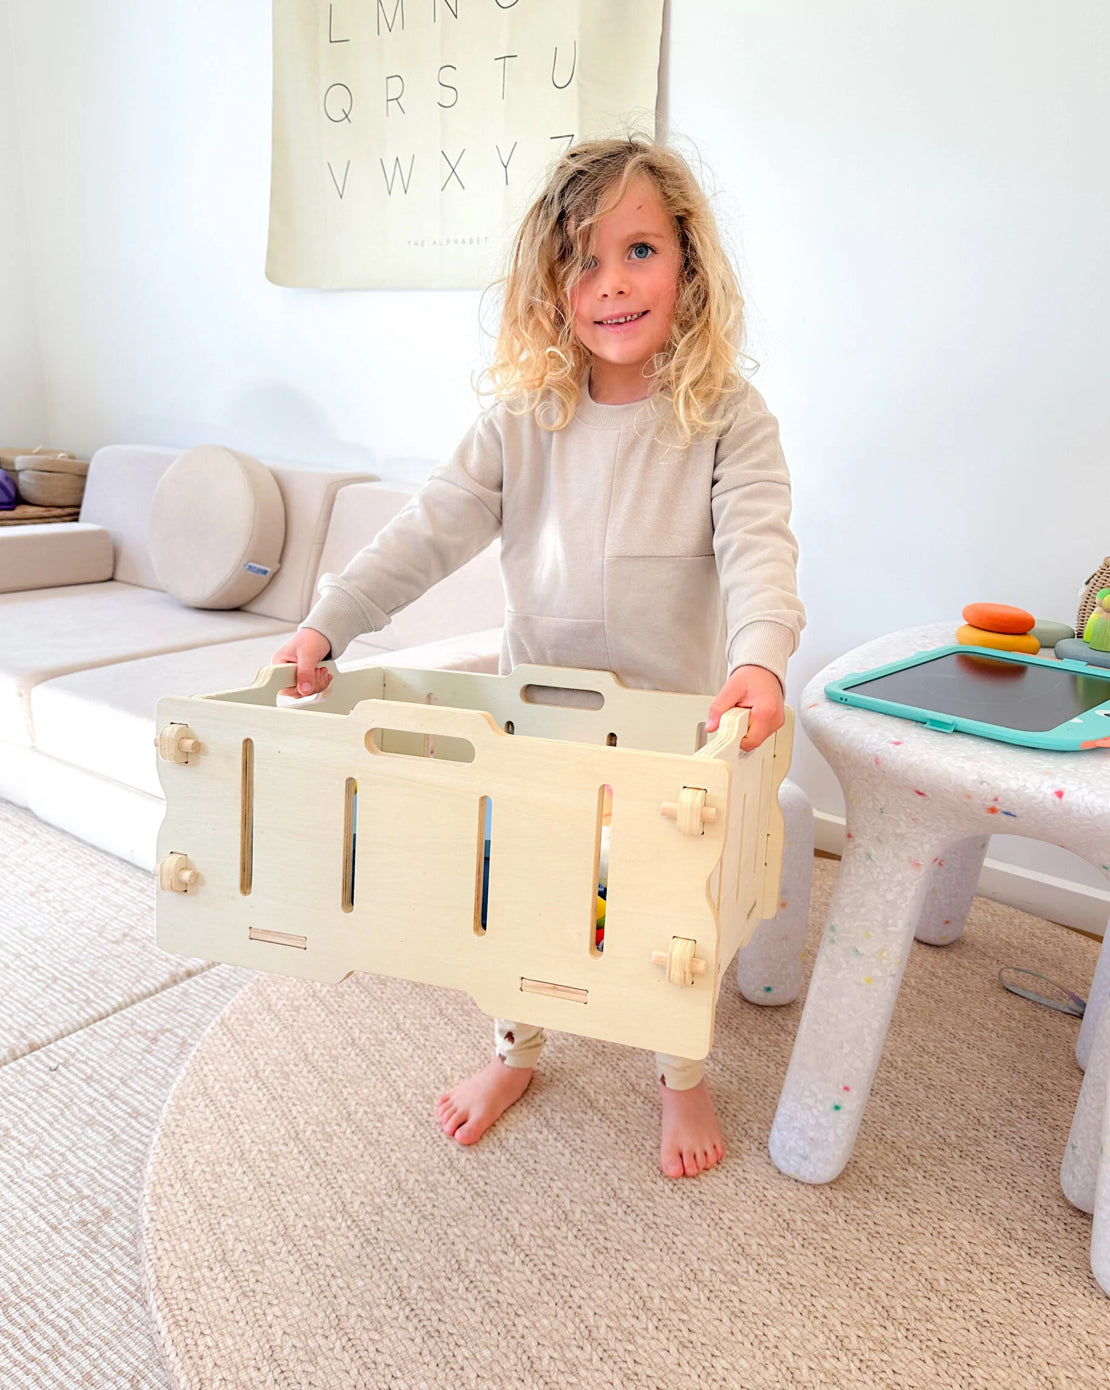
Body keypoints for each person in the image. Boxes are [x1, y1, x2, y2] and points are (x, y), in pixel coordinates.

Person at [272, 136, 805, 1179]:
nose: (611, 284)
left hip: (674, 742)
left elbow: (759, 547)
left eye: (639, 251)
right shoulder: (523, 420)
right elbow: (424, 532)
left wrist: (762, 659)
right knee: (517, 900)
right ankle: (513, 1049)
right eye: (582, 261)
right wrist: (327, 623)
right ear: (549, 288)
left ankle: (680, 1077)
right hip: (540, 730)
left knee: (664, 919)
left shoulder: (728, 418)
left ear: (688, 264)